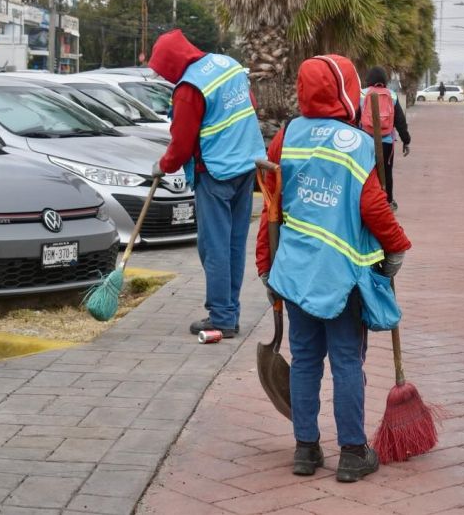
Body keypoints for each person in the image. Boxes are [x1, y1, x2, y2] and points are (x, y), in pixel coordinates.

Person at [256, 54, 411, 483]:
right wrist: (396, 246)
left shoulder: (285, 136)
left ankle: (306, 450)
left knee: (304, 359)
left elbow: (270, 206)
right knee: (346, 360)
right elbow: (373, 207)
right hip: (342, 277)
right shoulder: (358, 142)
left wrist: (265, 265)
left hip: (295, 271)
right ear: (345, 88)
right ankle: (352, 453)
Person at [149, 30, 265, 338]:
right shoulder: (227, 64)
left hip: (215, 172)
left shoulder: (189, 88)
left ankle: (222, 316)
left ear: (171, 62)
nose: (164, 76)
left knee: (214, 248)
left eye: (163, 70)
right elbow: (248, 105)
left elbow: (182, 143)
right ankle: (231, 311)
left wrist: (163, 166)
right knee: (234, 244)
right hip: (246, 167)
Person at [360, 67, 411, 211]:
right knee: (387, 172)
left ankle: (363, 201)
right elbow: (400, 122)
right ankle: (388, 201)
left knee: (365, 172)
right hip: (386, 142)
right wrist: (406, 141)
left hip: (365, 141)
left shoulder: (362, 94)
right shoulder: (392, 96)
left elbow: (355, 118)